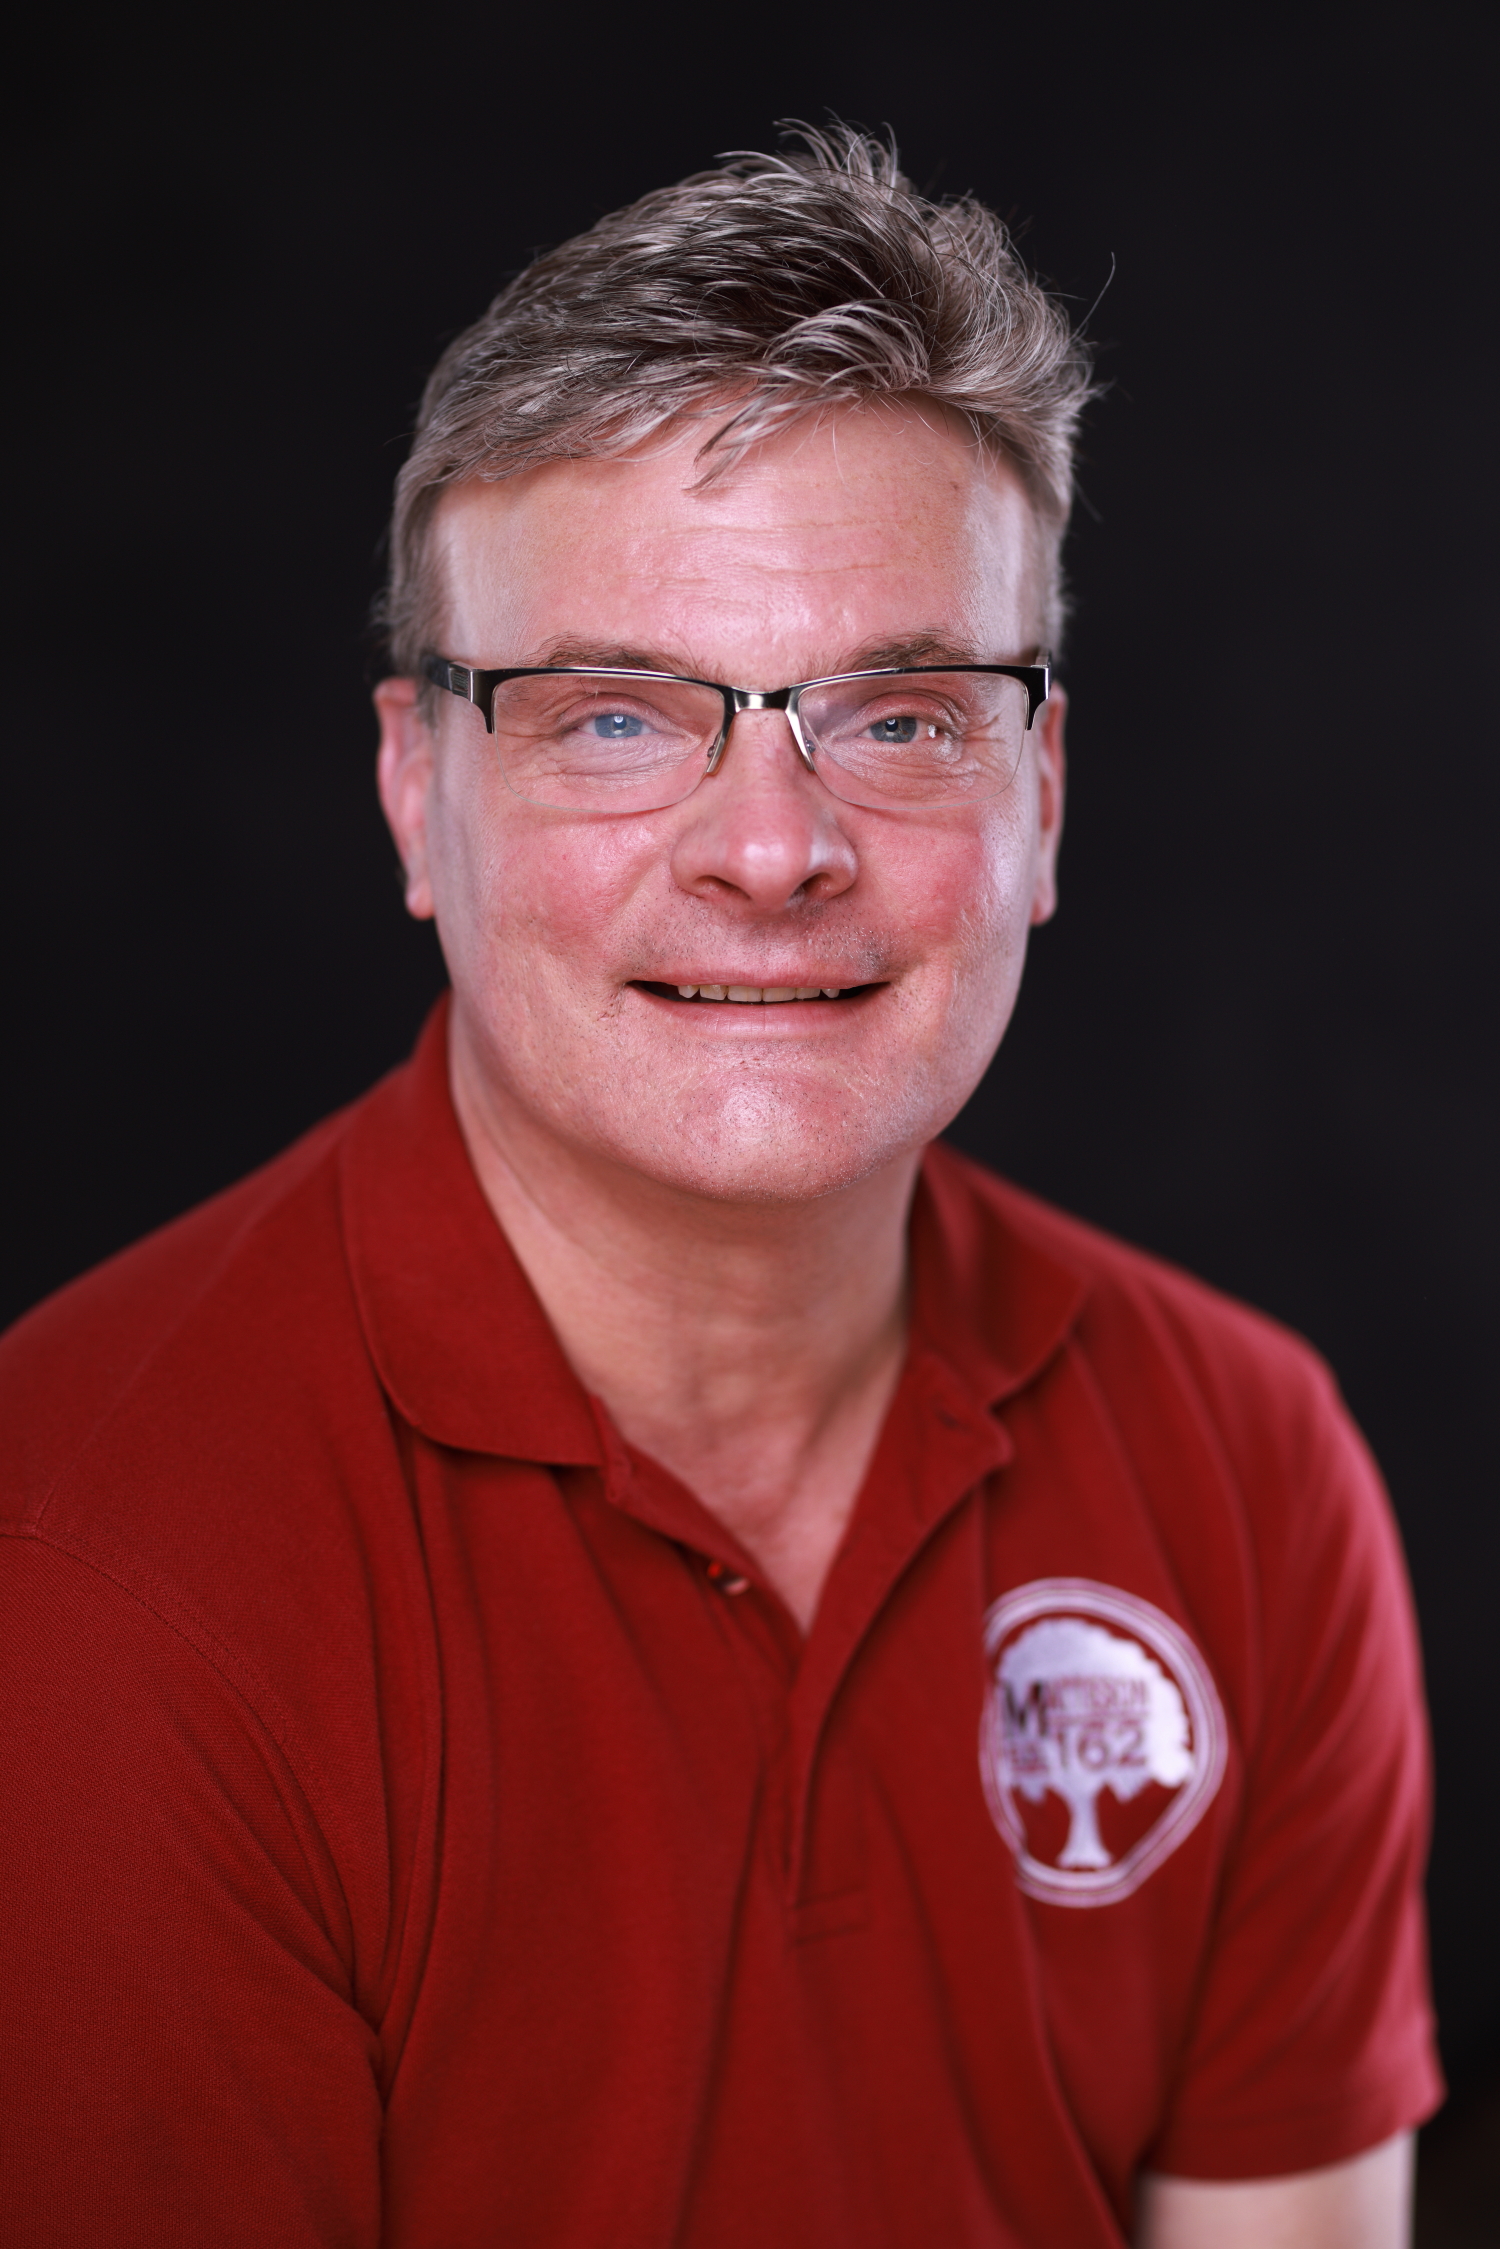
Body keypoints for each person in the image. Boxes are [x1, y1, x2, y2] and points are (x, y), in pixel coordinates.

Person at [0, 129, 1440, 2247]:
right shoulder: (95, 1577)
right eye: (613, 719)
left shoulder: (1245, 1460)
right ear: (422, 793)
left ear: (1039, 797)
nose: (772, 851)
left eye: (905, 717)